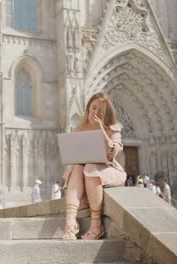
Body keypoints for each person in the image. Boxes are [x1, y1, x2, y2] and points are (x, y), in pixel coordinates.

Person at [61, 92, 127, 240]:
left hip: (110, 170)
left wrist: (101, 129)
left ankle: (96, 225)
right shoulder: (80, 128)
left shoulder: (113, 128)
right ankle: (70, 221)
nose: (96, 112)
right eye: (94, 107)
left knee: (90, 168)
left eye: (100, 109)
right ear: (88, 108)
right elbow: (75, 154)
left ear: (106, 111)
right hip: (85, 171)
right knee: (78, 167)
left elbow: (112, 153)